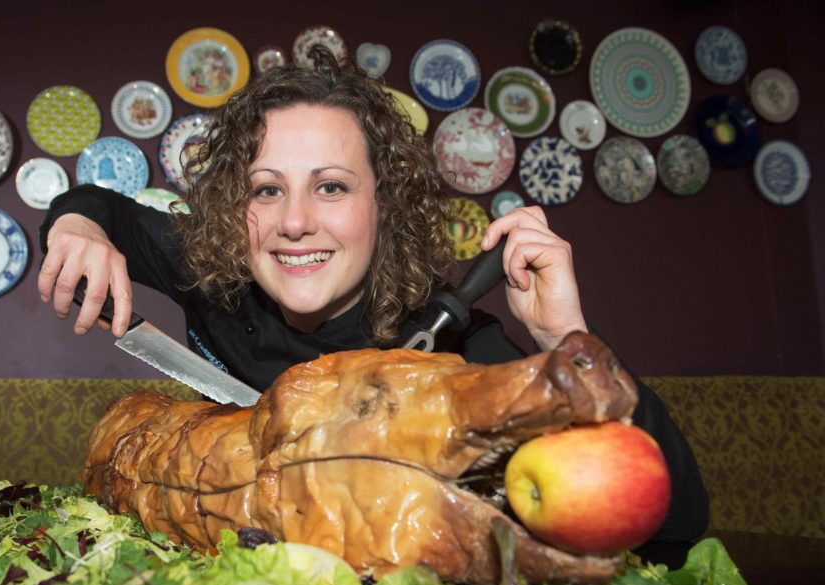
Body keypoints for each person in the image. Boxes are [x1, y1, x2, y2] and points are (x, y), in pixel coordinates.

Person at [38, 47, 708, 544]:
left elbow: (674, 531)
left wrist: (564, 336)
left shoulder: (451, 342)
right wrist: (77, 228)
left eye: (331, 186)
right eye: (266, 189)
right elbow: (95, 203)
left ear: (382, 206)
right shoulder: (212, 266)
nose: (294, 221)